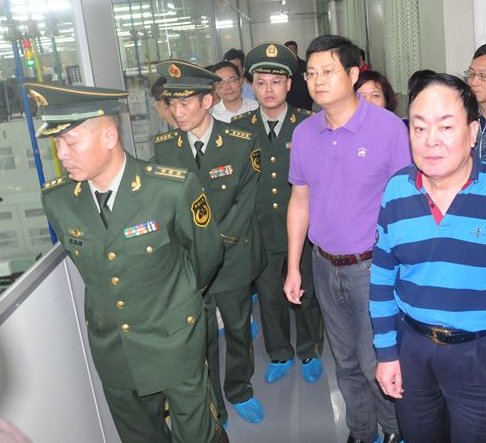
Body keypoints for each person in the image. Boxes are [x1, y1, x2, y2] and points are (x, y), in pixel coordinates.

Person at [29, 81, 227, 443]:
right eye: (56, 144)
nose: (62, 155)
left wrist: (178, 300)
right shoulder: (58, 199)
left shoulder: (170, 188)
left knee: (198, 434)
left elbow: (207, 255)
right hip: (113, 347)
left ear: (109, 137)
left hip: (174, 339)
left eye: (70, 142)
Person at [371, 73, 486, 442]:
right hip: (413, 349)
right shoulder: (396, 190)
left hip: (484, 356)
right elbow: (381, 279)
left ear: (473, 132)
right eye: (419, 127)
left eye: (446, 126)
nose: (431, 140)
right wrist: (386, 353)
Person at [285, 34, 411, 443]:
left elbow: (407, 203)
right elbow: (299, 201)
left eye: (328, 71)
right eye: (311, 73)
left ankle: (393, 430)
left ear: (354, 74)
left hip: (374, 267)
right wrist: (293, 266)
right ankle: (361, 429)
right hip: (324, 264)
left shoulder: (388, 129)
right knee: (344, 360)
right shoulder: (305, 133)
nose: (317, 80)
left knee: (376, 359)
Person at [152, 60, 266, 426]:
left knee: (237, 329)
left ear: (207, 100)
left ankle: (239, 388)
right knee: (202, 338)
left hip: (232, 257)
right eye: (172, 104)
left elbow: (246, 200)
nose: (177, 112)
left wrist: (214, 244)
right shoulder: (165, 148)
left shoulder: (240, 141)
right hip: (189, 265)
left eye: (185, 103)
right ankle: (214, 402)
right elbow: (163, 206)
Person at [231, 42, 324, 385]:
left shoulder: (308, 124)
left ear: (288, 85)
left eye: (276, 82)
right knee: (269, 296)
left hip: (304, 228)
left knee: (307, 293)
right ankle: (280, 353)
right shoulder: (240, 128)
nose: (268, 90)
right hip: (261, 230)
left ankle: (310, 349)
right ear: (252, 87)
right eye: (261, 83)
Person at [284, 41, 314, 110]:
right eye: (289, 50)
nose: (292, 52)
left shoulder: (305, 65)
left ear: (297, 51)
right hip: (288, 106)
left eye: (293, 50)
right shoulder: (282, 68)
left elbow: (312, 83)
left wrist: (310, 100)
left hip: (305, 105)